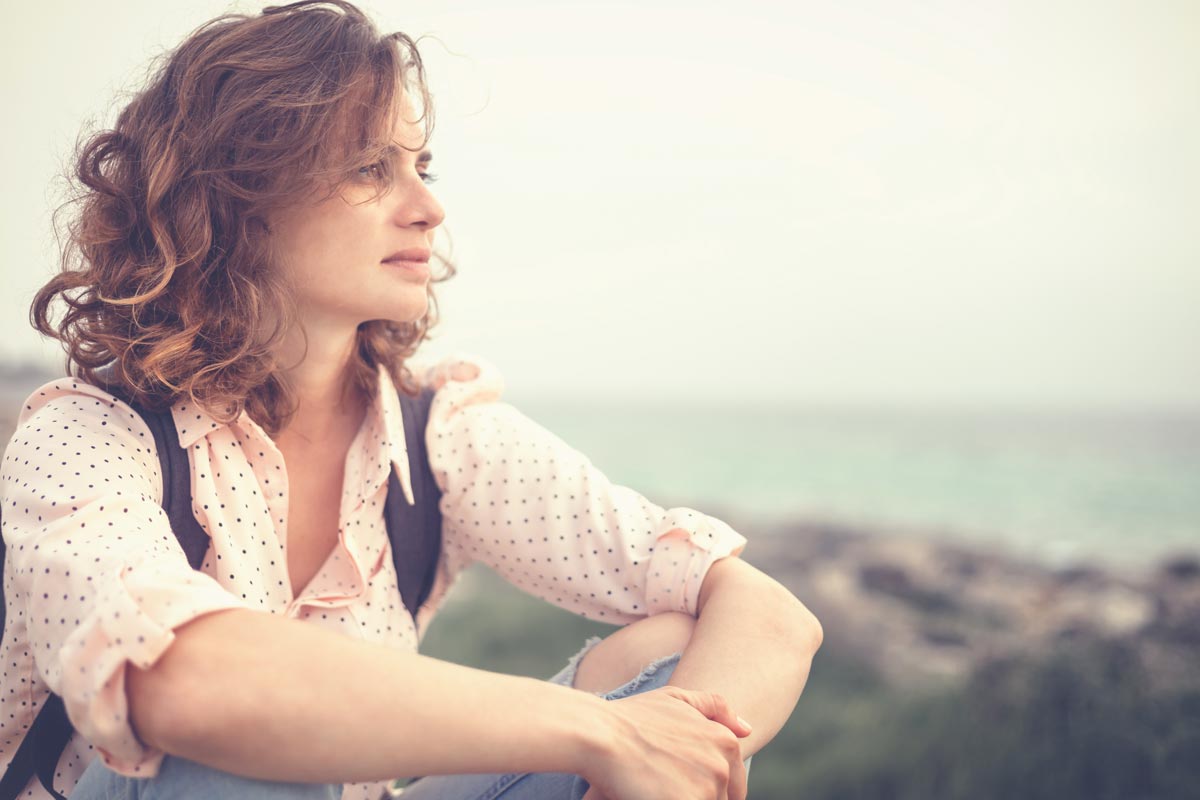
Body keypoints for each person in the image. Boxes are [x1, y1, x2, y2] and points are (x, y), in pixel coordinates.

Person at [0, 2, 824, 798]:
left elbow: (769, 616)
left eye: (419, 166)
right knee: (240, 739)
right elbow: (183, 685)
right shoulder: (87, 436)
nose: (428, 209)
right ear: (235, 199)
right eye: (370, 168)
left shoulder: (437, 439)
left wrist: (662, 764)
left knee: (675, 656)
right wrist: (600, 733)